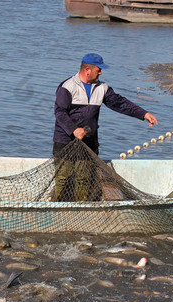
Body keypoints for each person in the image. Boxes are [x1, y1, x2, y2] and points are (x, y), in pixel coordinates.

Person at [53, 53, 158, 201]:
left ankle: (80, 209)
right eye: (99, 69)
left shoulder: (102, 88)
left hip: (89, 142)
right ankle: (60, 209)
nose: (101, 72)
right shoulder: (67, 87)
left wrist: (143, 114)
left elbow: (120, 104)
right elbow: (60, 112)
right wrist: (74, 129)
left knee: (84, 180)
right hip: (64, 141)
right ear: (87, 70)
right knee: (63, 178)